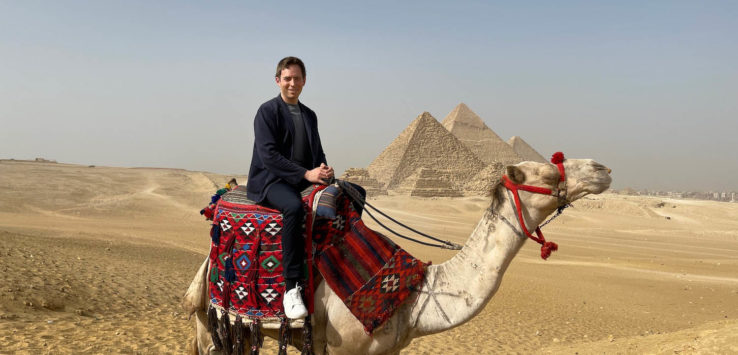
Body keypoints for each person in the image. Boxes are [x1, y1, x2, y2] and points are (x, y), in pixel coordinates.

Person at [246, 56, 365, 319]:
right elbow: (269, 157)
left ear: (304, 81)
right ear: (278, 81)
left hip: (304, 177)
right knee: (293, 208)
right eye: (287, 78)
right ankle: (291, 288)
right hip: (271, 180)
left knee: (355, 193)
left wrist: (323, 170)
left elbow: (317, 152)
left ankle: (342, 262)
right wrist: (306, 173)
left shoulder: (310, 115)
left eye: (296, 78)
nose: (292, 83)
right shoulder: (267, 111)